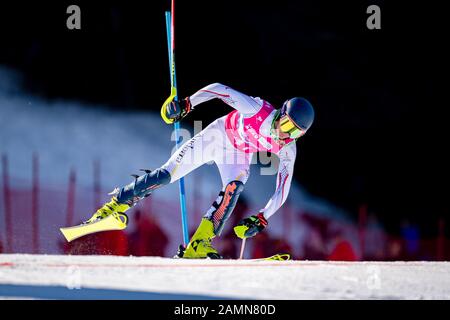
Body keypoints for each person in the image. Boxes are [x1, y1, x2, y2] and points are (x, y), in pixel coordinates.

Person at [84, 83, 315, 258]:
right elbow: (218, 89)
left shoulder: (288, 149)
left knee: (234, 187)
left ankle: (200, 243)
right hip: (217, 136)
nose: (286, 135)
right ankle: (115, 206)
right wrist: (187, 104)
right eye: (286, 126)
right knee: (167, 175)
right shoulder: (257, 109)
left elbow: (283, 188)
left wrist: (263, 217)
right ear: (280, 114)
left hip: (237, 154)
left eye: (295, 133)